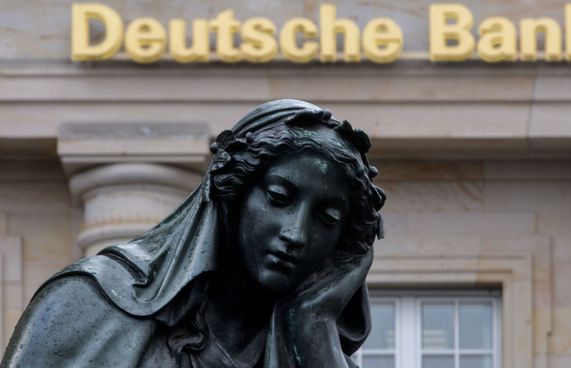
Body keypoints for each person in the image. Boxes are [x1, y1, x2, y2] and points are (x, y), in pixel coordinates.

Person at [1, 99, 385, 368]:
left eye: (327, 218)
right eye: (278, 197)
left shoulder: (315, 347)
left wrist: (312, 326)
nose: (296, 233)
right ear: (233, 192)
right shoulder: (93, 301)